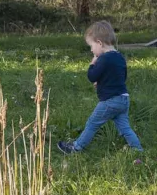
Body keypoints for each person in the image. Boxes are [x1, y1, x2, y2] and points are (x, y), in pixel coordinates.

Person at [58, 20, 143, 154]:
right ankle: (138, 149)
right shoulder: (119, 57)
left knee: (92, 123)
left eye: (91, 46)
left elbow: (92, 76)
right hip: (123, 99)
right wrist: (103, 82)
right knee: (125, 128)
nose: (91, 50)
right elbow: (121, 76)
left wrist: (92, 64)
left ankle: (76, 147)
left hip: (110, 101)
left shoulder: (103, 59)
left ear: (99, 43)